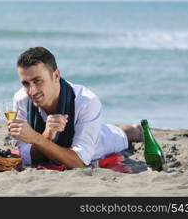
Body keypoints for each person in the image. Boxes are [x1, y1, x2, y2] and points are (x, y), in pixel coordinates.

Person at [7, 47, 143, 168]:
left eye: (37, 81)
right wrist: (46, 136)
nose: (32, 91)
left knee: (124, 133)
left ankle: (137, 130)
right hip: (80, 132)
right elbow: (27, 158)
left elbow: (80, 162)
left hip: (101, 141)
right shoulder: (21, 99)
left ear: (56, 75)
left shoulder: (86, 101)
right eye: (25, 83)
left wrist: (36, 138)